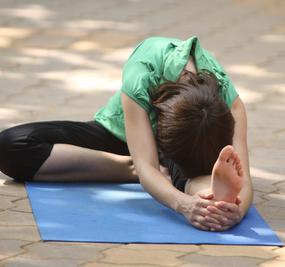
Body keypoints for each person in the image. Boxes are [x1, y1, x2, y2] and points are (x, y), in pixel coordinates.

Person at [0, 36, 253, 231]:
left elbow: (245, 179)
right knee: (11, 145)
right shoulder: (144, 69)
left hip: (183, 151)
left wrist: (235, 211)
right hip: (121, 136)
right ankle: (130, 169)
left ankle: (213, 195)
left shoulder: (229, 103)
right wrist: (183, 205)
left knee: (197, 174)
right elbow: (148, 168)